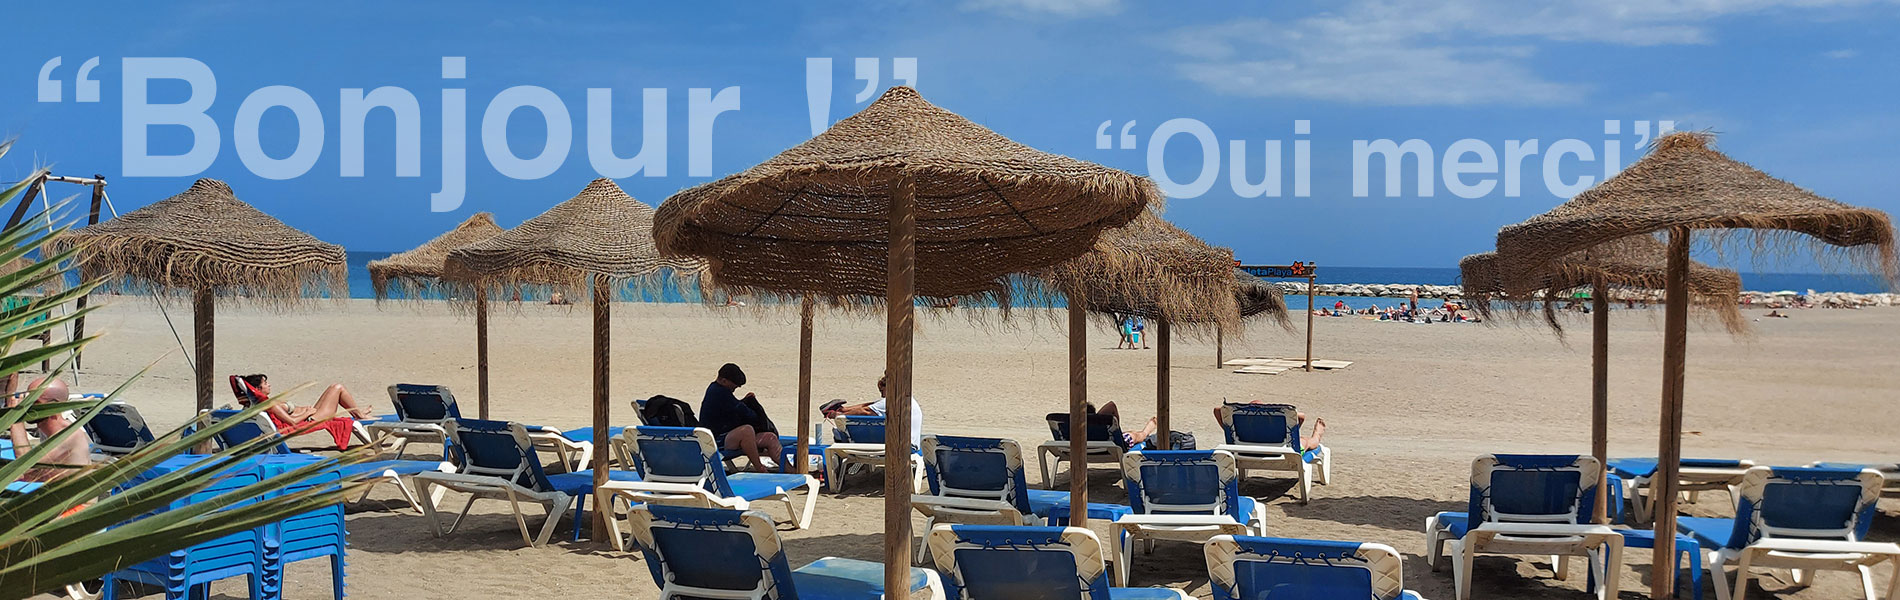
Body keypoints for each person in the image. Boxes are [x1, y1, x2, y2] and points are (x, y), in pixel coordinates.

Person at [236, 374, 373, 449]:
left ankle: (358, 412)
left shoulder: (256, 405)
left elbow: (287, 419)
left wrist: (305, 411)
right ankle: (360, 414)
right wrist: (307, 413)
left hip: (308, 417)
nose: (269, 385)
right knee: (337, 387)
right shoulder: (271, 405)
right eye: (265, 383)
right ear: (258, 389)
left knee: (333, 387)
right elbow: (292, 422)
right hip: (310, 420)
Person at [6, 377, 91, 482]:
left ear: (54, 407)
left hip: (74, 498)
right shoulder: (46, 431)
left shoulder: (69, 435)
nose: (27, 407)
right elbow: (33, 475)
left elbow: (26, 465)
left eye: (34, 402)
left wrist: (16, 421)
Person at [700, 363, 780, 472]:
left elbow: (734, 407)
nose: (734, 389)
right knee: (746, 431)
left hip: (726, 436)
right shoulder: (718, 392)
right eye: (734, 386)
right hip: (716, 440)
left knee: (770, 438)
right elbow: (745, 413)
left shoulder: (719, 390)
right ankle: (760, 468)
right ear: (724, 381)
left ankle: (792, 471)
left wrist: (745, 401)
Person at [834, 375, 923, 447]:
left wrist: (837, 415)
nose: (882, 395)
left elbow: (865, 411)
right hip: (911, 444)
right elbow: (868, 405)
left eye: (882, 391)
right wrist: (844, 410)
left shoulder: (893, 400)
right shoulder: (906, 398)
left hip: (901, 446)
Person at [1210, 401, 1326, 452]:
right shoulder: (1273, 426)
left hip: (1243, 450)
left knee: (1300, 440)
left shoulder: (1240, 431)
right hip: (1282, 452)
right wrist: (1268, 410)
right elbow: (1301, 416)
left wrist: (1246, 409)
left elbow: (1217, 410)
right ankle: (1316, 436)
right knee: (1305, 441)